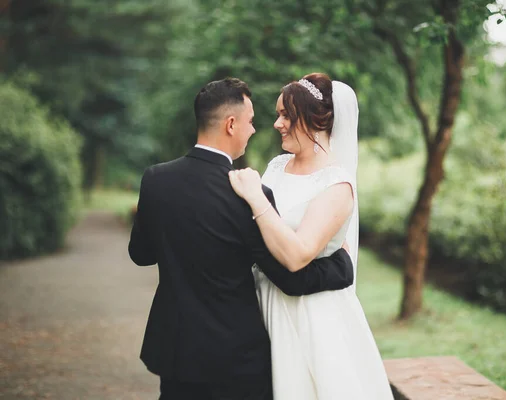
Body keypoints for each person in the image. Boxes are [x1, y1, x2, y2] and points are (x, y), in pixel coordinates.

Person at [128, 77, 355, 400]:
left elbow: (141, 254)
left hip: (175, 348)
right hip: (234, 356)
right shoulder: (248, 195)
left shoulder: (155, 179)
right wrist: (342, 267)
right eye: (250, 122)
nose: (255, 129)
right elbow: (287, 276)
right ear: (231, 125)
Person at [229, 73, 394, 399]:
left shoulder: (336, 185)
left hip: (309, 314)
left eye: (286, 115)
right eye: (278, 114)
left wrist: (255, 197)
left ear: (315, 119)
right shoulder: (277, 167)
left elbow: (297, 254)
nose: (277, 123)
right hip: (263, 300)